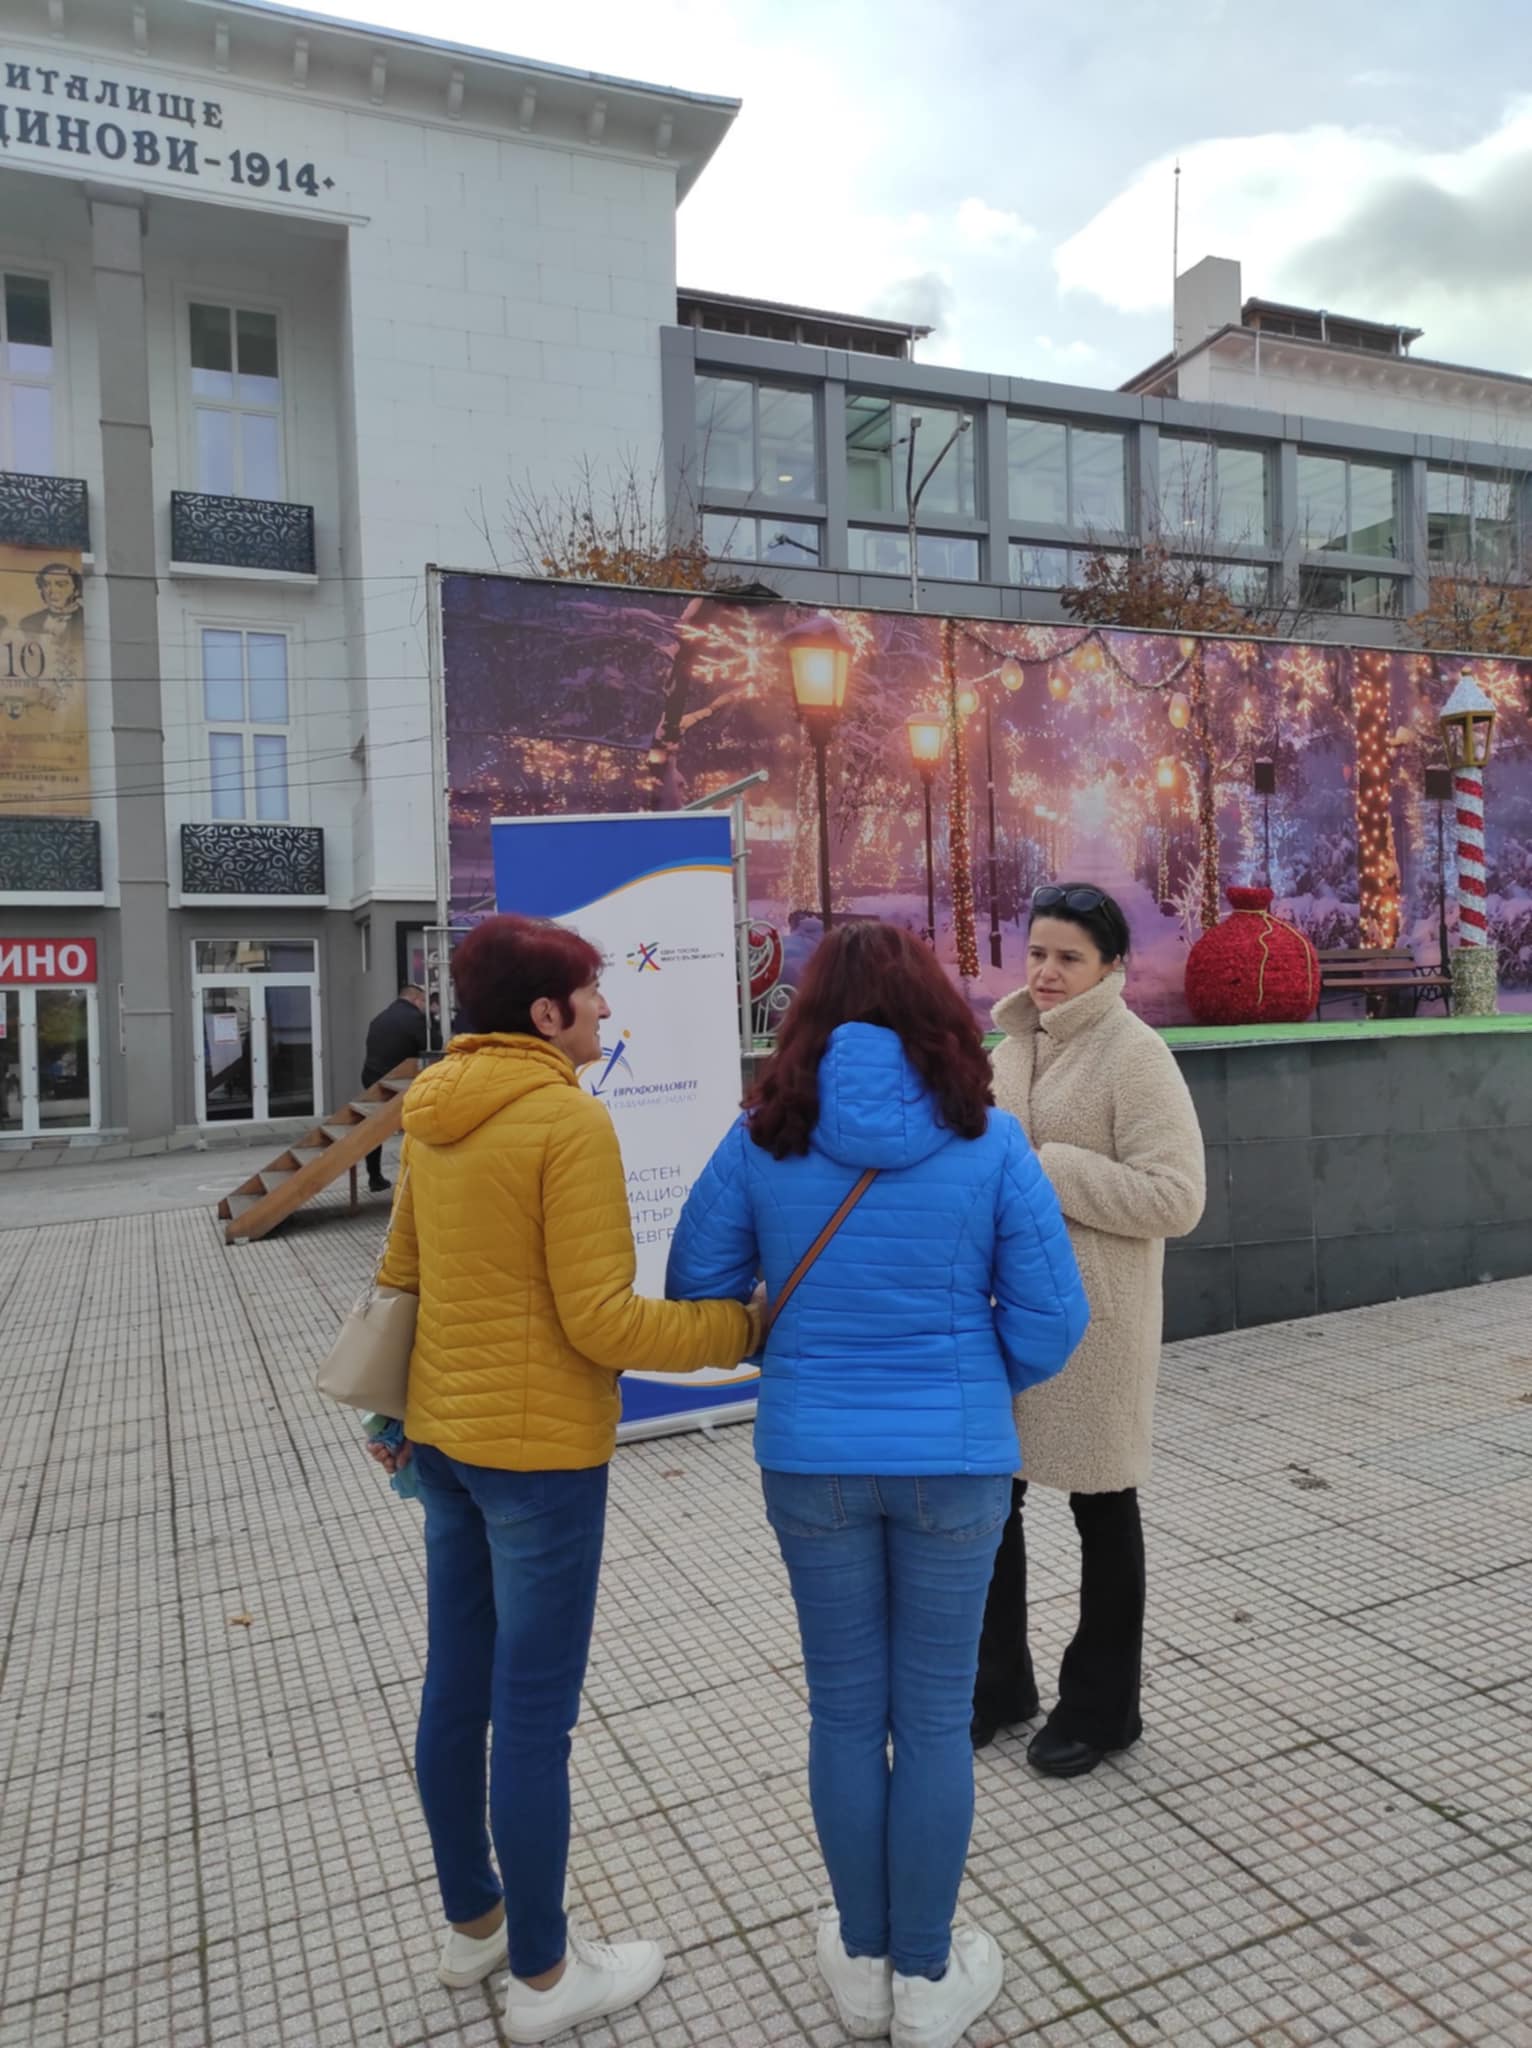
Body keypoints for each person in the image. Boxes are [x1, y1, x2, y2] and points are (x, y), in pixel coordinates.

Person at [666, 920, 1088, 2048]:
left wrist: (791, 1339)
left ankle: (862, 1966)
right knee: (935, 1718)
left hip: (812, 1460)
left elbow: (696, 1282)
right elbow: (1053, 1320)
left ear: (805, 1016)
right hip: (957, 1465)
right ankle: (927, 1978)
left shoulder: (761, 1136)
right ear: (934, 1012)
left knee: (846, 1712)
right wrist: (971, 1381)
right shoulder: (990, 1140)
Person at [371, 914, 759, 2042]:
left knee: (456, 1692)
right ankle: (544, 1977)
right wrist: (742, 1325)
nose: (605, 1009)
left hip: (445, 1443)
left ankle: (474, 1924)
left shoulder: (433, 1105)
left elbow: (400, 1274)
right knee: (533, 1721)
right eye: (591, 993)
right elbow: (602, 1323)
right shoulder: (566, 1118)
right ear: (545, 1014)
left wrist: (397, 1412)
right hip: (538, 1463)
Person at [972, 884, 1205, 1777]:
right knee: (990, 1506)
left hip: (1096, 1325)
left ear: (1111, 965)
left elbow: (1176, 1198)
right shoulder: (1009, 1046)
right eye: (1037, 953)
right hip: (1003, 1320)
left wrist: (1051, 1169)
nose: (1046, 972)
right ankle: (998, 1683)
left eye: (1069, 957)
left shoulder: (1135, 1055)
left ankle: (1104, 1710)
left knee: (1103, 1508)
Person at [361, 983, 429, 1191]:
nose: (424, 1006)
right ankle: (417, 1174)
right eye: (424, 1002)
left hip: (371, 1078)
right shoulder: (415, 1018)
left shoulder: (380, 1018)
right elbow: (431, 1044)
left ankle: (374, 1176)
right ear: (416, 999)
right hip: (397, 1082)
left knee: (373, 1130)